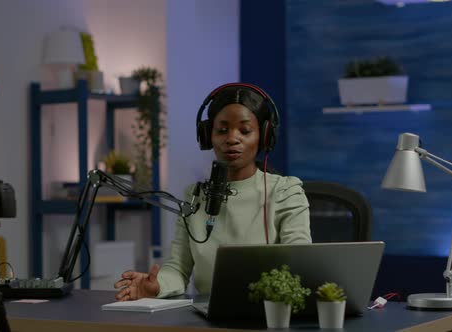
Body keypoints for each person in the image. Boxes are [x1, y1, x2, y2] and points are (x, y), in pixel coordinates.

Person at [114, 83, 311, 301]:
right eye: (222, 130)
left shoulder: (286, 191)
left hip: (268, 314)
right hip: (209, 316)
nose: (232, 139)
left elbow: (300, 263)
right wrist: (157, 286)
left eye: (245, 131)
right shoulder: (194, 196)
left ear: (264, 136)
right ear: (208, 136)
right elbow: (178, 268)